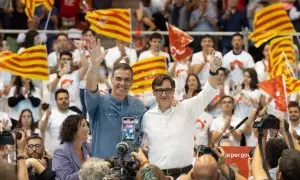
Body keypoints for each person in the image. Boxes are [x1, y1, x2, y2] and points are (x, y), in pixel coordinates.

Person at [141, 55, 222, 178]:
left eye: (167, 90)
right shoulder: (146, 117)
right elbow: (137, 145)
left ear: (173, 91)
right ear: (153, 92)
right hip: (157, 176)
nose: (163, 94)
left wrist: (213, 70)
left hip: (185, 175)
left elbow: (208, 92)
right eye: (159, 90)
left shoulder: (186, 108)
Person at [85, 41, 146, 158]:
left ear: (132, 82)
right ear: (111, 80)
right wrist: (93, 67)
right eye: (118, 79)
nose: (122, 83)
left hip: (129, 170)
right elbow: (91, 88)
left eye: (127, 80)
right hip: (102, 168)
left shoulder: (137, 105)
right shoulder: (98, 102)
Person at [39, 89, 77, 154]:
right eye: (60, 99)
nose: (64, 100)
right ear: (56, 101)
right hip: (53, 154)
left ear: (69, 100)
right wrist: (47, 117)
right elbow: (41, 129)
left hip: (71, 153)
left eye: (66, 98)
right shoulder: (49, 113)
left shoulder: (75, 115)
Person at [52, 114, 90, 180]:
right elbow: (67, 178)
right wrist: (90, 169)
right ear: (73, 131)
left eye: (87, 125)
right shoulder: (60, 152)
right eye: (83, 126)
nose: (87, 129)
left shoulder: (87, 146)